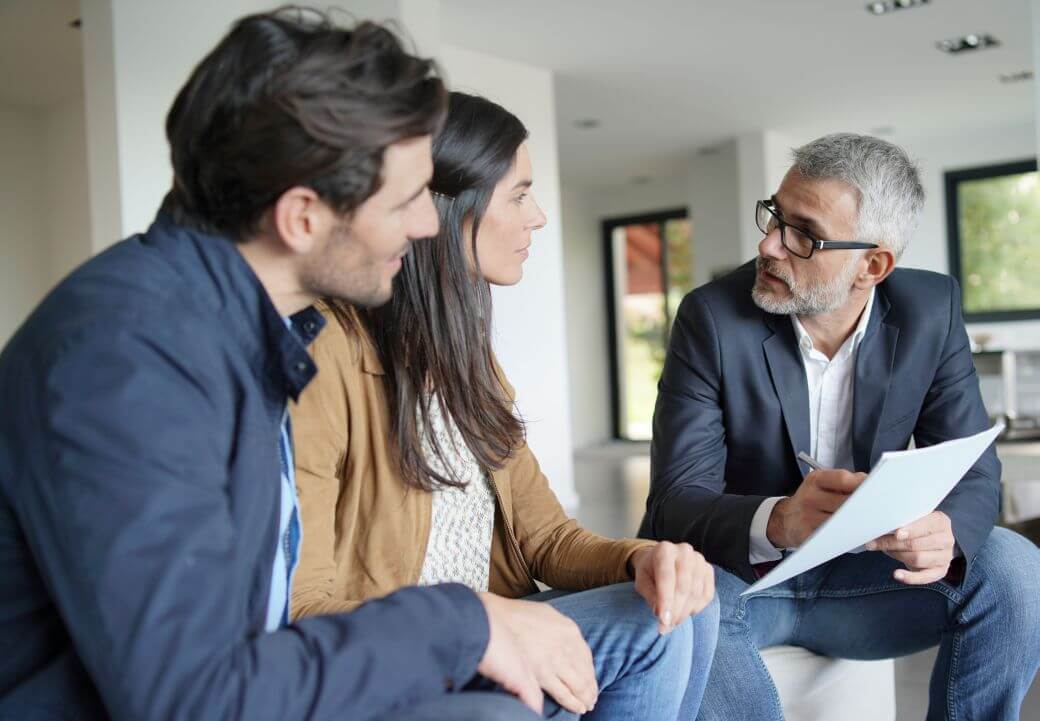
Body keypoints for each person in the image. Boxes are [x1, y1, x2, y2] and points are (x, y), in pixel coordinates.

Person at [0, 10, 550, 721]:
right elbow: (193, 699)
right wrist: (456, 622)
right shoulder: (128, 356)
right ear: (302, 217)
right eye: (409, 200)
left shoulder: (235, 329)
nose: (425, 227)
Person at [290, 92, 719, 720]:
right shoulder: (324, 353)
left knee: (680, 605)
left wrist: (642, 558)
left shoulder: (464, 355)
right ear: (441, 208)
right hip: (410, 652)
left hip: (491, 625)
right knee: (652, 629)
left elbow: (546, 538)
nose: (538, 216)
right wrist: (471, 621)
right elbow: (303, 607)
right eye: (518, 194)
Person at [639, 132, 1040, 721]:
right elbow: (673, 504)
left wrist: (946, 532)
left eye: (803, 233)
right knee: (683, 606)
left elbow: (972, 469)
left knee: (1017, 568)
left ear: (872, 266)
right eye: (776, 216)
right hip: (745, 583)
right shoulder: (712, 317)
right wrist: (779, 519)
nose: (768, 244)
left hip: (872, 582)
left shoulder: (931, 309)